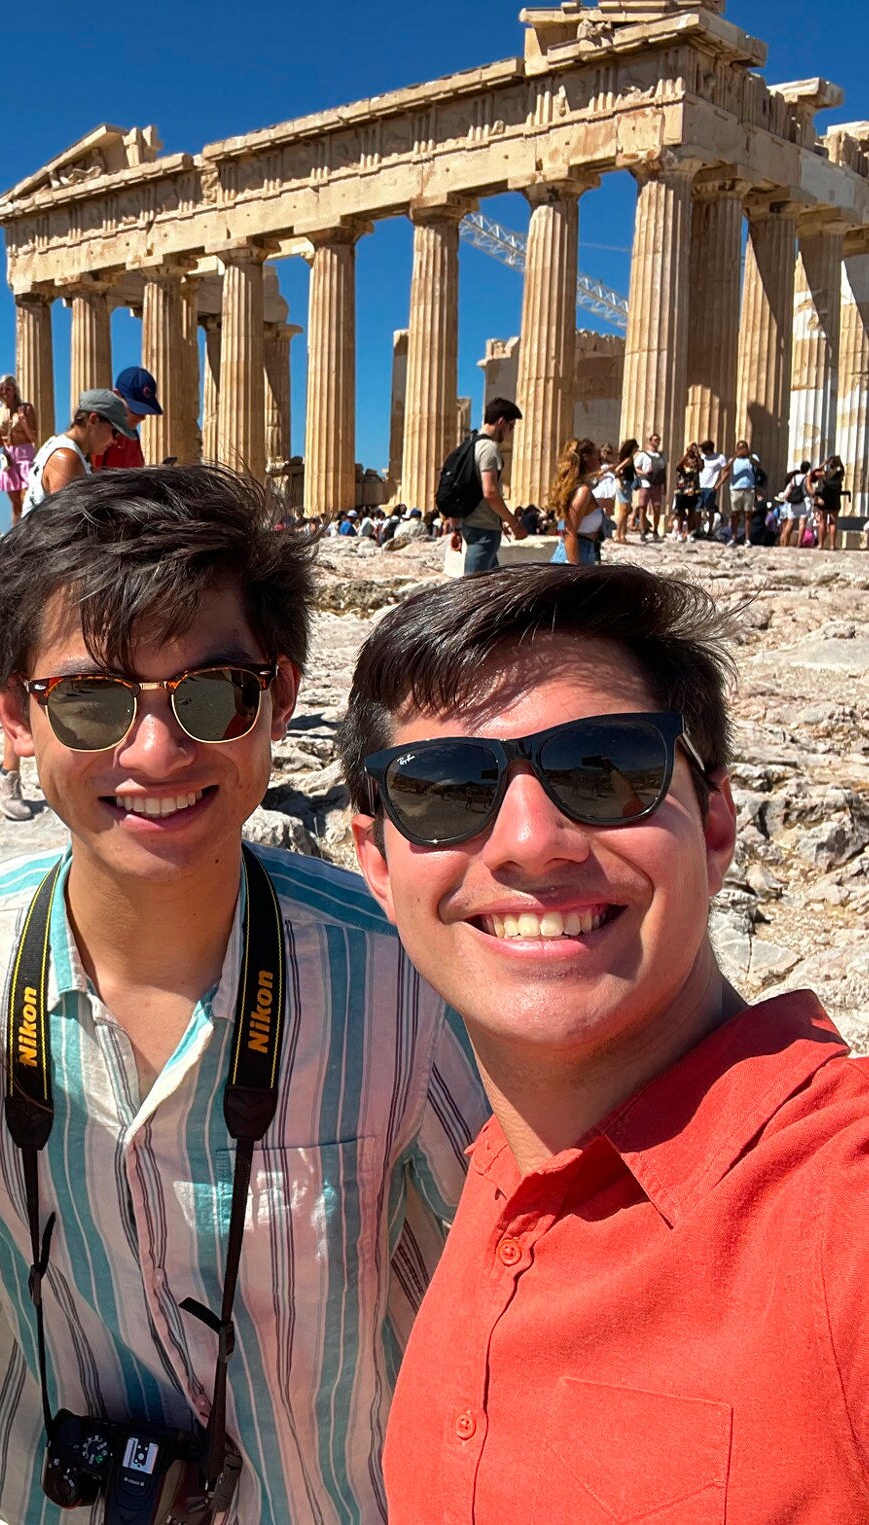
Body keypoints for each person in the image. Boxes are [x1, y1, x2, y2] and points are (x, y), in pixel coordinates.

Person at [0, 465, 486, 1525]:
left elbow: (529, 1271)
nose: (154, 749)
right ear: (14, 716)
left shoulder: (409, 979)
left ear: (275, 700)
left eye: (211, 693)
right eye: (92, 700)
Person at [338, 564, 869, 1524]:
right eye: (448, 790)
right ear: (376, 863)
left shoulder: (840, 1212)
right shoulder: (500, 1173)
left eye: (606, 769)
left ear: (715, 826)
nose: (534, 841)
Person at [0, 391, 137, 821]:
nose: (113, 441)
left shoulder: (58, 449)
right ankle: (13, 774)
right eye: (110, 430)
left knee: (32, 680)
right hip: (39, 579)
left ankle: (11, 773)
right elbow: (70, 530)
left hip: (31, 574)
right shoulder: (67, 458)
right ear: (91, 420)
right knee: (40, 682)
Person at [453, 398, 527, 573]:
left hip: (473, 526)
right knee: (472, 592)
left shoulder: (470, 445)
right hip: (483, 530)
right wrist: (514, 523)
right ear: (501, 421)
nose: (510, 432)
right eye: (511, 426)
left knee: (495, 589)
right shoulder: (489, 448)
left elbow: (457, 486)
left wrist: (456, 526)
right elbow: (490, 492)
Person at [0, 375, 37, 527]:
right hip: (8, 457)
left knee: (26, 498)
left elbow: (34, 437)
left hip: (25, 455)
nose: (4, 391)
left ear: (14, 390)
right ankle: (16, 538)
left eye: (8, 388)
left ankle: (30, 532)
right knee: (15, 505)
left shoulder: (26, 408)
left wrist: (24, 422)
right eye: (1, 388)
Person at [93, 365, 163, 471]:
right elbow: (90, 482)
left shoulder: (132, 434)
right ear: (117, 396)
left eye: (145, 411)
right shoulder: (97, 435)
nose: (142, 417)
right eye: (136, 409)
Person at [546, 438, 604, 564]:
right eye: (598, 457)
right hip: (575, 555)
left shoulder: (581, 487)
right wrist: (574, 570)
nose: (601, 461)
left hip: (586, 552)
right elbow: (569, 531)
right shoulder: (583, 491)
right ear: (587, 458)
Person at [717, 438, 760, 547]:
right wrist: (735, 456)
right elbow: (725, 469)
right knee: (735, 514)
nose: (742, 450)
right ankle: (733, 537)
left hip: (749, 489)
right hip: (736, 489)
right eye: (740, 448)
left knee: (748, 515)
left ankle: (747, 539)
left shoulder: (752, 458)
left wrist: (749, 456)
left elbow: (758, 465)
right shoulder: (733, 459)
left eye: (743, 448)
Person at [632, 431, 667, 541]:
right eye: (655, 440)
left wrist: (664, 486)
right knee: (643, 507)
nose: (657, 442)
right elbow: (636, 468)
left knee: (657, 508)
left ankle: (655, 530)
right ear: (650, 441)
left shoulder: (661, 456)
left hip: (657, 485)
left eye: (658, 440)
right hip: (645, 484)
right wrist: (645, 473)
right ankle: (642, 530)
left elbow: (663, 472)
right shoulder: (643, 455)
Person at [808, 454, 844, 550]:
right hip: (835, 498)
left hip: (825, 498)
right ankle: (832, 545)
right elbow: (842, 468)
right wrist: (839, 462)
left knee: (823, 521)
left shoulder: (825, 473)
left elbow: (813, 473)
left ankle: (820, 544)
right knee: (833, 522)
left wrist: (824, 463)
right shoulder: (840, 474)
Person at [671, 442, 702, 541]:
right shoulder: (683, 460)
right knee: (680, 512)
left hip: (693, 490)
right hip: (682, 489)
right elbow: (678, 467)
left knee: (692, 511)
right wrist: (687, 455)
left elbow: (701, 468)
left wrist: (698, 456)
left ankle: (687, 532)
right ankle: (679, 532)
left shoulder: (697, 461)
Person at [777, 459, 811, 548]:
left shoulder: (794, 477)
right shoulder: (807, 478)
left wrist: (786, 497)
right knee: (802, 522)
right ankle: (799, 543)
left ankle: (784, 544)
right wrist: (814, 495)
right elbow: (808, 488)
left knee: (790, 522)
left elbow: (790, 488)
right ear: (808, 469)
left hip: (793, 502)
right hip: (803, 501)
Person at [697, 438, 726, 537]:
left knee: (710, 509)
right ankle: (698, 529)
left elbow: (726, 471)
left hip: (710, 486)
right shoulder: (702, 457)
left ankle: (710, 530)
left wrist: (718, 484)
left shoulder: (720, 458)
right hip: (700, 485)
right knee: (698, 508)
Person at [612, 437, 638, 542]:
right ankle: (617, 534)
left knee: (626, 511)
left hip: (628, 485)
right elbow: (617, 470)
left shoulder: (630, 459)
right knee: (623, 512)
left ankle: (622, 534)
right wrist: (621, 482)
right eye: (636, 447)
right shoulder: (628, 460)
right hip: (626, 485)